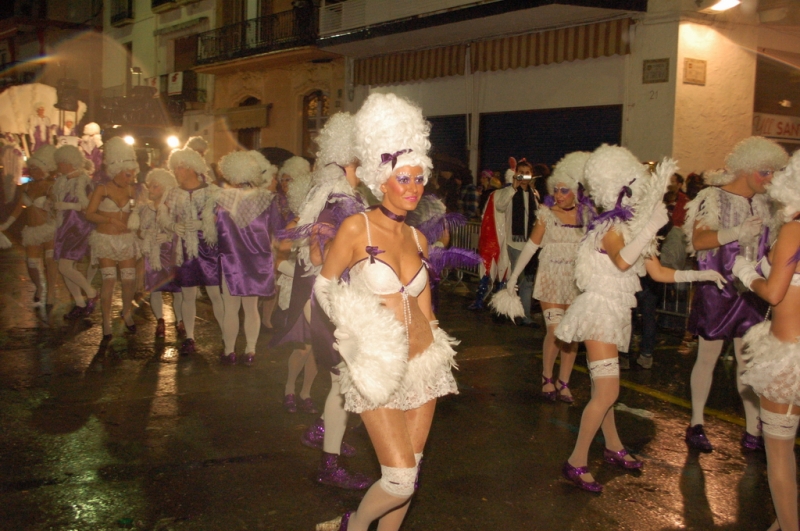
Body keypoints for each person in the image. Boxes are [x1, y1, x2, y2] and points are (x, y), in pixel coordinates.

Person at [315, 93, 458, 531]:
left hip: (424, 365)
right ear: (382, 180)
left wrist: (436, 342)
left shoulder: (419, 241)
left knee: (409, 478)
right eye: (403, 178)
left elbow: (426, 309)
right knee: (396, 480)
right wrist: (352, 330)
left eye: (418, 178)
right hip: (378, 368)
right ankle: (353, 526)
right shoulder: (356, 227)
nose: (413, 187)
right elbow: (323, 286)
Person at [554, 145, 725, 493]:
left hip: (617, 314)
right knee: (607, 392)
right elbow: (620, 262)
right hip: (599, 313)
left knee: (607, 391)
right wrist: (651, 229)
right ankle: (576, 461)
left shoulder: (631, 230)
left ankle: (614, 446)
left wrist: (703, 276)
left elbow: (659, 273)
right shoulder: (610, 229)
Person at [683, 136, 789, 453]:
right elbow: (699, 241)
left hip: (752, 289)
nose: (770, 180)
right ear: (747, 168)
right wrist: (734, 234)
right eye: (765, 172)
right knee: (708, 357)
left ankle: (752, 428)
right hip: (717, 286)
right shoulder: (712, 197)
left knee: (749, 361)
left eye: (773, 173)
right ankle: (696, 423)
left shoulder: (767, 204)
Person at [287, 113, 370, 490]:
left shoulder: (343, 196)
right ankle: (329, 463)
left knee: (343, 380)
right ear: (352, 161)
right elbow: (321, 258)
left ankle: (323, 432)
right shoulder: (338, 201)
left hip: (331, 298)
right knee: (343, 381)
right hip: (326, 300)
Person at [733, 150, 800, 531]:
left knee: (779, 458)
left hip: (786, 358)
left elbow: (773, 294)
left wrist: (746, 272)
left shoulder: (793, 230)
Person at [492, 152, 592, 402]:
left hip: (575, 282)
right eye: (556, 189)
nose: (558, 194)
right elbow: (530, 247)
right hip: (550, 279)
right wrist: (514, 276)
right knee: (556, 330)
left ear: (576, 191)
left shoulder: (587, 216)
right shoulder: (546, 214)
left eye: (564, 190)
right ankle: (547, 377)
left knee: (571, 335)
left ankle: (564, 381)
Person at [214, 150, 279, 365]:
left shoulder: (220, 199)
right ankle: (250, 351)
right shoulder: (269, 199)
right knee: (251, 309)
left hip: (230, 260)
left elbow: (212, 232)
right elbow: (277, 233)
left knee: (230, 308)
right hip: (257, 260)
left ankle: (229, 351)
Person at [159, 147, 223, 355]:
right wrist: (172, 227)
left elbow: (221, 219)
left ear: (191, 168)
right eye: (175, 167)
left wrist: (204, 224)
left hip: (209, 249)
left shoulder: (212, 192)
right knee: (188, 294)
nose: (176, 171)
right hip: (184, 249)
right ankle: (189, 337)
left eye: (180, 167)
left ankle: (226, 334)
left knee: (215, 294)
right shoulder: (172, 193)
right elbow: (164, 216)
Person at [85, 137, 140, 339]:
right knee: (109, 280)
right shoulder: (103, 188)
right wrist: (110, 219)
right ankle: (106, 323)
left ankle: (127, 313)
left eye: (133, 174)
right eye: (128, 174)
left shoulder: (132, 189)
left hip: (126, 241)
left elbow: (141, 211)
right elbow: (89, 214)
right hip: (105, 239)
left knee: (129, 280)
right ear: (117, 170)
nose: (131, 177)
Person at [0, 144, 58, 307]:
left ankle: (51, 293)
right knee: (31, 263)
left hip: (49, 229)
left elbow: (58, 207)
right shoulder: (26, 187)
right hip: (32, 231)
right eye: (31, 168)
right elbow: (18, 209)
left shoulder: (51, 187)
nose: (33, 171)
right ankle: (39, 288)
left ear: (44, 169)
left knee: (50, 262)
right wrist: (5, 225)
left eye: (36, 168)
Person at [134, 168, 183, 338]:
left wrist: (169, 236)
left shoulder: (173, 208)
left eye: (155, 186)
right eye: (150, 186)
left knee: (178, 290)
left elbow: (181, 229)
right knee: (154, 289)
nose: (151, 190)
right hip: (153, 255)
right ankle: (160, 321)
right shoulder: (145, 209)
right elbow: (138, 231)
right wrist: (148, 235)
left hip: (171, 254)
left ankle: (180, 320)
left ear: (165, 188)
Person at [52, 144, 98, 319]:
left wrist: (67, 205)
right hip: (64, 227)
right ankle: (79, 303)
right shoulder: (62, 181)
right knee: (65, 267)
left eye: (60, 163)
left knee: (65, 266)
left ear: (68, 162)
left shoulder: (83, 181)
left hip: (78, 228)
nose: (58, 166)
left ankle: (91, 293)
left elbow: (89, 206)